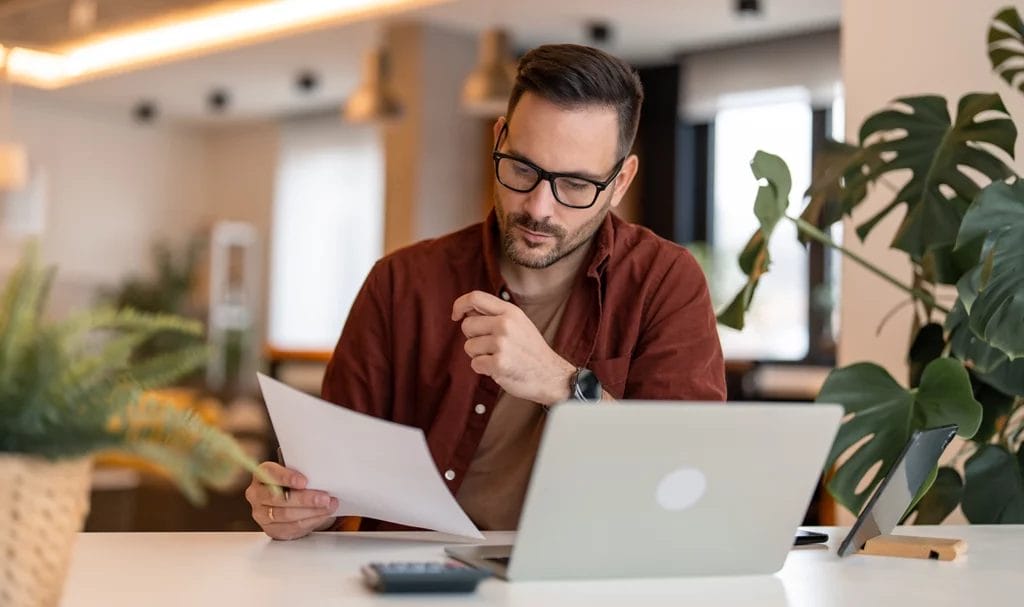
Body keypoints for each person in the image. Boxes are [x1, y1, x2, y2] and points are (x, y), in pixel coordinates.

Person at [246, 43, 726, 540]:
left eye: (577, 185)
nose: (539, 207)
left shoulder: (665, 282)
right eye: (522, 169)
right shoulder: (400, 283)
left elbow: (685, 478)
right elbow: (329, 475)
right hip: (413, 579)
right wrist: (299, 506)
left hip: (584, 574)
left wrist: (562, 385)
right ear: (499, 138)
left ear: (620, 181)